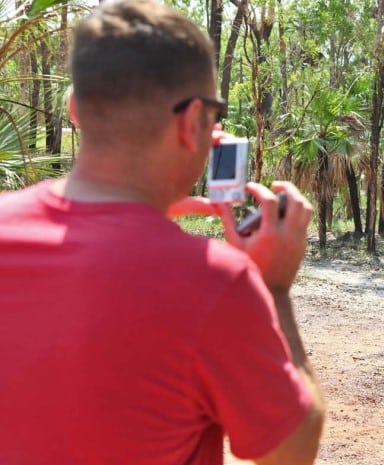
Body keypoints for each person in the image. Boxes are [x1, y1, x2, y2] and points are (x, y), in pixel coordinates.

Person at [0, 1, 324, 464]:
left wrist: (136, 219)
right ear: (194, 122)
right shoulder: (215, 283)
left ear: (74, 109)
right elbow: (291, 453)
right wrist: (273, 289)